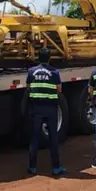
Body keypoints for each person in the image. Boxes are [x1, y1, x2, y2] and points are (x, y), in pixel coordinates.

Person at [24, 47, 66, 176]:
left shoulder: (31, 71)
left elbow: (28, 87)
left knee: (35, 138)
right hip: (51, 108)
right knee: (53, 138)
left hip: (36, 108)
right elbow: (59, 89)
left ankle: (32, 167)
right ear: (49, 58)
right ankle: (56, 168)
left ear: (38, 57)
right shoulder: (55, 72)